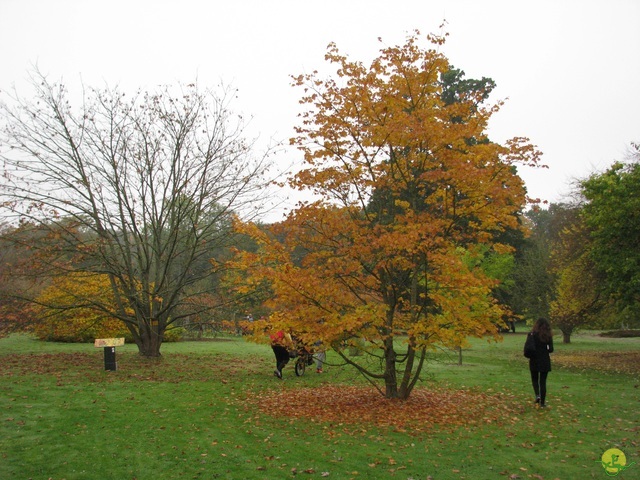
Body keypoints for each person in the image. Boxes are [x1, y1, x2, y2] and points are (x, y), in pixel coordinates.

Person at [527, 317, 554, 408]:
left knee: (534, 379)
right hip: (544, 360)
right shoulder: (548, 335)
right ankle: (542, 402)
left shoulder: (532, 334)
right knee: (543, 381)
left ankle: (537, 395)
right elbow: (551, 349)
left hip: (534, 359)